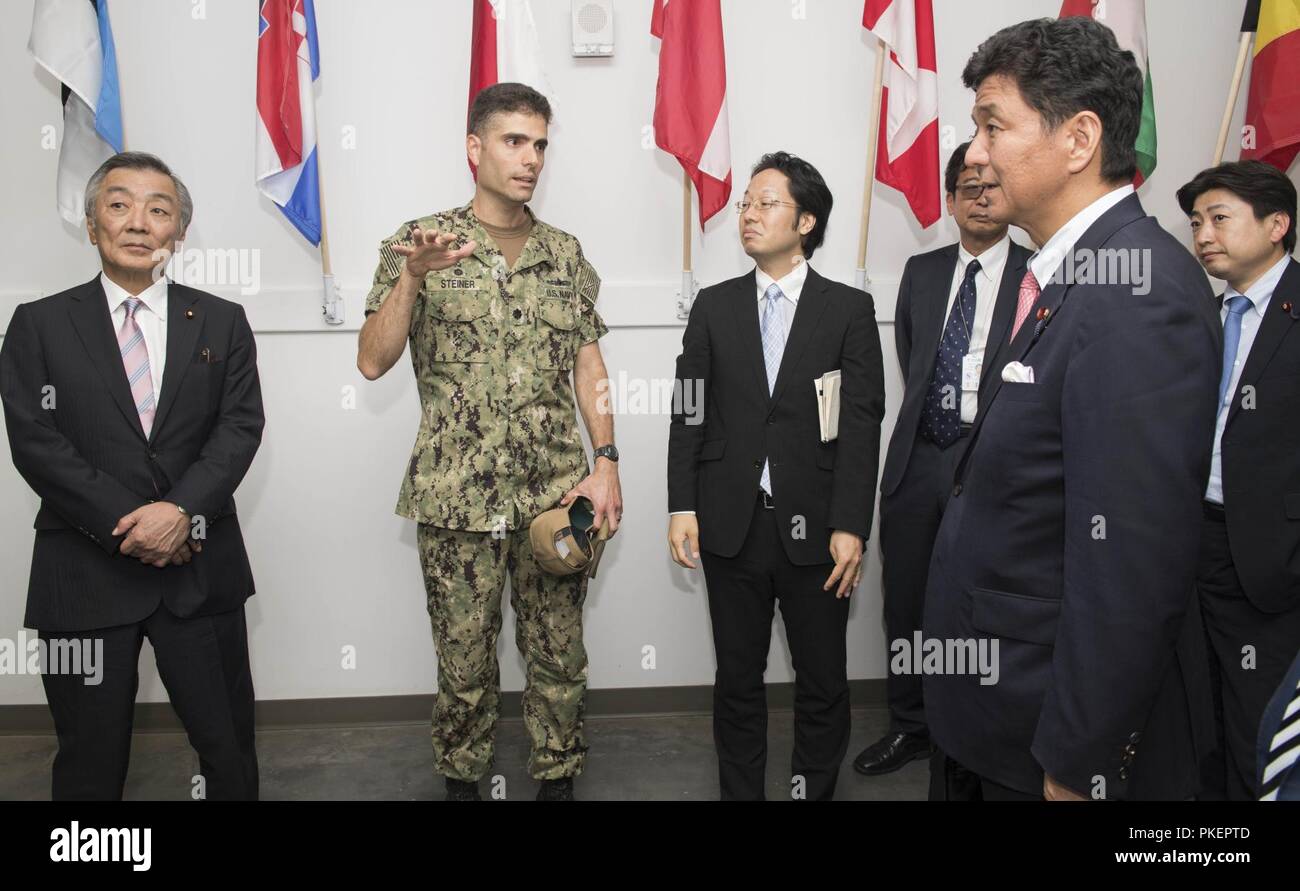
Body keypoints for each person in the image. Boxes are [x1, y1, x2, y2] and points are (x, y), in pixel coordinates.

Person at [923, 17, 1221, 801]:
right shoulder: (1067, 275)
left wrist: (1077, 763)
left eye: (994, 124)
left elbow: (1129, 570)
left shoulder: (1138, 293)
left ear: (1079, 137)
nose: (975, 152)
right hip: (995, 720)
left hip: (1048, 749)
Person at [356, 82, 620, 802]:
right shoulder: (420, 243)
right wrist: (411, 277)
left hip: (553, 496)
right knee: (464, 665)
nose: (530, 158)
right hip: (456, 499)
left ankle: (558, 781)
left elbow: (589, 365)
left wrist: (608, 464)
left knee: (558, 658)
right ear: (475, 148)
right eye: (513, 141)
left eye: (540, 144)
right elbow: (373, 358)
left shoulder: (564, 254)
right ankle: (462, 783)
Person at [0, 152, 265, 800]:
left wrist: (178, 513)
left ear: (177, 229)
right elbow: (36, 442)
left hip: (198, 569)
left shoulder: (223, 321)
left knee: (228, 749)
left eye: (159, 208)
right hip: (84, 577)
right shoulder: (38, 324)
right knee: (88, 763)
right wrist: (132, 522)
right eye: (119, 204)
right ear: (92, 224)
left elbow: (238, 428)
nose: (139, 221)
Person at [667, 152, 885, 800]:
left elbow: (862, 424)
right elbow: (689, 411)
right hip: (730, 526)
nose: (749, 215)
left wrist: (850, 523)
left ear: (807, 219)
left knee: (822, 680)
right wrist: (682, 504)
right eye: (745, 204)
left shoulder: (848, 309)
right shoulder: (713, 306)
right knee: (737, 678)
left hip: (817, 529)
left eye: (767, 203)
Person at [853, 142, 1031, 777]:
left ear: (1010, 195)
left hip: (991, 465)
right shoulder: (922, 273)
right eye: (967, 186)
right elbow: (914, 360)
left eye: (991, 186)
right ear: (950, 199)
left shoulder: (1039, 275)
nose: (980, 197)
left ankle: (976, 729)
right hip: (919, 460)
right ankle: (911, 725)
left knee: (982, 603)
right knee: (906, 602)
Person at [1177, 160, 1300, 800]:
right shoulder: (1206, 314)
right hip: (1194, 540)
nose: (1203, 235)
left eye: (1219, 219)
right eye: (1197, 222)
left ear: (1277, 225)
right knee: (1205, 713)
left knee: (1263, 722)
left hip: (1270, 561)